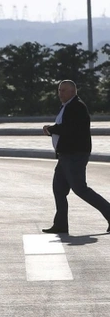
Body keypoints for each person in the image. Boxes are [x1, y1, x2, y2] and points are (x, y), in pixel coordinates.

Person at [41, 80, 110, 234]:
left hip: (74, 155)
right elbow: (66, 128)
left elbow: (68, 129)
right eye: (59, 90)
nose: (60, 93)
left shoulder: (77, 107)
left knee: (80, 189)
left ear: (73, 91)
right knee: (59, 189)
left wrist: (50, 130)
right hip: (66, 155)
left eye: (64, 90)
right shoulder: (67, 106)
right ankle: (60, 225)